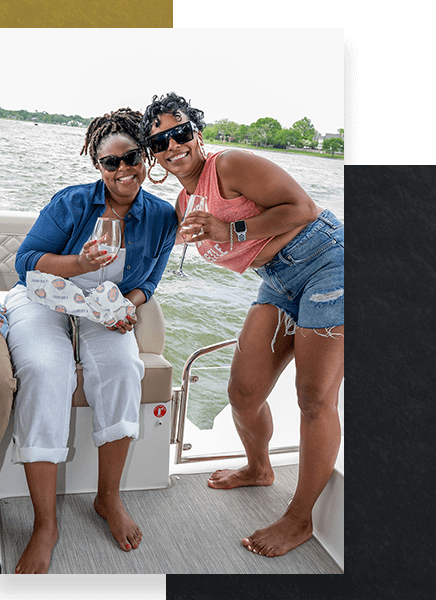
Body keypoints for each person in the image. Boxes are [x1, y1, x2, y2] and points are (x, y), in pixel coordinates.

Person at [141, 93, 344, 558]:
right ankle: (259, 468)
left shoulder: (229, 165)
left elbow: (303, 208)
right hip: (276, 279)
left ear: (196, 133)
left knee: (314, 397)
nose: (171, 145)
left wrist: (226, 230)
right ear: (152, 155)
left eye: (178, 132)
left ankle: (300, 517)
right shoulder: (182, 199)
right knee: (243, 392)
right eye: (158, 142)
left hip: (326, 262)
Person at [5, 108, 177, 574]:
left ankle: (108, 498)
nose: (123, 170)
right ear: (97, 165)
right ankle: (45, 523)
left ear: (146, 157)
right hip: (45, 296)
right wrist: (79, 263)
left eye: (132, 158)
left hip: (104, 307)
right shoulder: (72, 203)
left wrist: (127, 307)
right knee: (45, 370)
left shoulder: (162, 216)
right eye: (111, 162)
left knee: (124, 369)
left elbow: (150, 283)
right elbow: (28, 263)